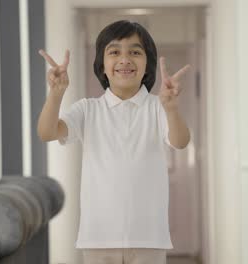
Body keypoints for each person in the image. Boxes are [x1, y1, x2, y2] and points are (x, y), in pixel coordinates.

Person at [37, 20, 191, 264]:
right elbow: (47, 132)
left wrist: (171, 108)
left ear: (147, 64)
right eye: (115, 51)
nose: (125, 58)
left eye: (135, 52)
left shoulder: (157, 107)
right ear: (103, 65)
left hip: (148, 237)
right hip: (98, 236)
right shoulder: (88, 109)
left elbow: (181, 142)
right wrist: (56, 93)